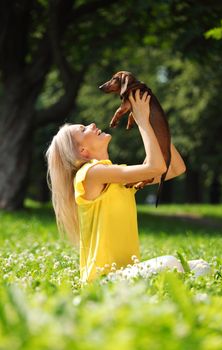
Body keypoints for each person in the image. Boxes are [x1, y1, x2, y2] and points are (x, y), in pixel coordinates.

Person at [46, 90, 211, 285]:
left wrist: (153, 122)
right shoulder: (90, 174)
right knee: (170, 263)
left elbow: (175, 168)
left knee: (202, 266)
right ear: (83, 151)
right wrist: (142, 120)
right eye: (83, 130)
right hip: (102, 281)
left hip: (127, 274)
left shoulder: (117, 177)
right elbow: (156, 166)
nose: (92, 125)